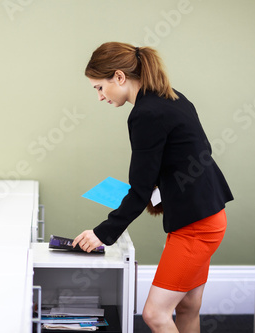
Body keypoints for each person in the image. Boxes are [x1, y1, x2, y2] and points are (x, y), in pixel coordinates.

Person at [72, 42, 234, 333]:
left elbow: (140, 189)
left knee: (155, 315)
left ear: (119, 77)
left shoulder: (145, 114)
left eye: (99, 87)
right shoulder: (172, 98)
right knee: (187, 307)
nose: (99, 96)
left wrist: (101, 234)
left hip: (196, 227)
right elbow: (190, 158)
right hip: (209, 215)